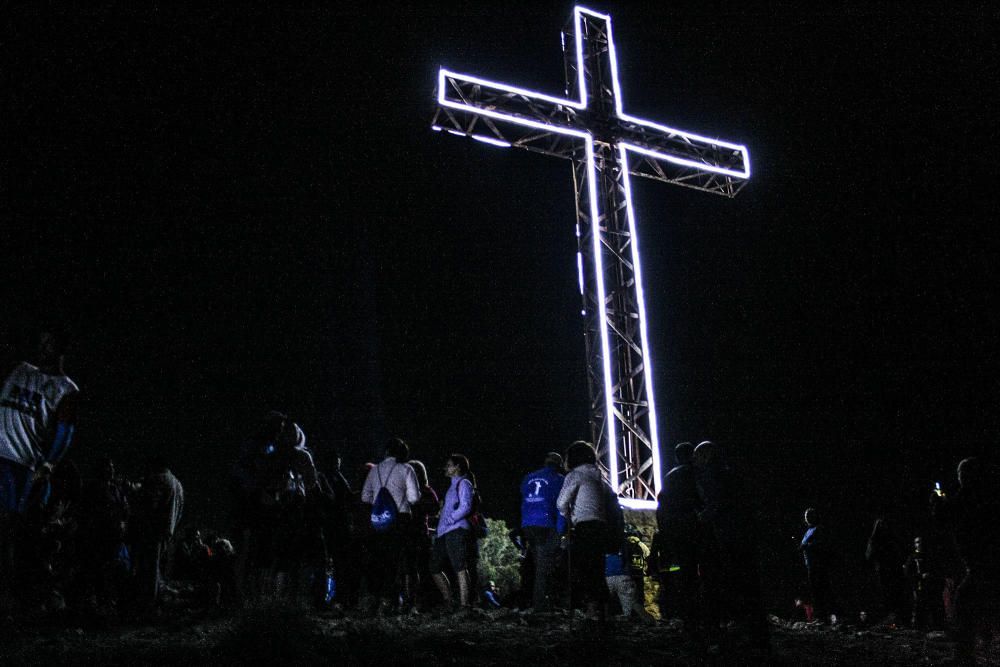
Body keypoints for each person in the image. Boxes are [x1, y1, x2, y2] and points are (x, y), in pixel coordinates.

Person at [0, 327, 79, 608]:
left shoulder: (65, 389)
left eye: (51, 343)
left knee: (12, 530)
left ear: (61, 349)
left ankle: (13, 599)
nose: (44, 347)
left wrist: (46, 466)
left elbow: (64, 434)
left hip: (21, 463)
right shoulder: (20, 369)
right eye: (42, 342)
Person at [694, 440, 769, 652]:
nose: (696, 461)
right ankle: (757, 633)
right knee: (749, 585)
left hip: (729, 537)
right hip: (744, 536)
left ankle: (742, 633)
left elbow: (718, 502)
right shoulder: (730, 473)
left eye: (699, 456)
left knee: (735, 582)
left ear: (706, 456)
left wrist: (702, 517)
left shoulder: (712, 474)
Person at [931, 457, 1000, 665]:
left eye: (962, 474)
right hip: (985, 561)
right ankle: (970, 650)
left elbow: (946, 517)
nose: (960, 478)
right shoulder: (985, 495)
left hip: (982, 563)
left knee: (963, 603)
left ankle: (964, 656)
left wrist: (937, 503)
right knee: (974, 602)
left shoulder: (970, 496)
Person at [360, 437, 420, 614]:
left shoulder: (375, 470)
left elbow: (365, 497)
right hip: (400, 519)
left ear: (386, 451)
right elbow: (414, 498)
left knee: (379, 559)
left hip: (379, 519)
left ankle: (375, 599)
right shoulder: (407, 469)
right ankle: (390, 601)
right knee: (396, 562)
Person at [556, 440, 609, 622]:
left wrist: (568, 515)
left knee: (584, 568)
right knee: (597, 567)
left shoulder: (575, 475)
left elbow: (561, 503)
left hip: (584, 525)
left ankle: (590, 610)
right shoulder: (599, 475)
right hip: (601, 525)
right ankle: (601, 610)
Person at [656, 442, 705, 635]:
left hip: (677, 533)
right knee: (707, 573)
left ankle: (689, 620)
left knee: (686, 576)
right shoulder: (696, 473)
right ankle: (709, 618)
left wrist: (664, 532)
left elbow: (661, 504)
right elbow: (703, 498)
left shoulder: (669, 477)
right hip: (697, 530)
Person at [129, 457, 184, 613]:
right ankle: (157, 600)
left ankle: (148, 604)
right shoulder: (177, 483)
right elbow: (180, 509)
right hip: (167, 531)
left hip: (152, 531)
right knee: (158, 567)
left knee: (149, 569)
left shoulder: (157, 480)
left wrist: (137, 493)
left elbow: (150, 504)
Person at [519, 451, 566, 613]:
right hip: (547, 525)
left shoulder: (528, 478)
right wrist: (561, 530)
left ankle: (540, 602)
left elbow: (523, 498)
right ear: (559, 465)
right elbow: (561, 506)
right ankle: (541, 605)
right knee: (545, 566)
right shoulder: (560, 480)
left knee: (539, 563)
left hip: (528, 524)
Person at [431, 454, 476, 611]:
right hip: (444, 532)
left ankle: (464, 605)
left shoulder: (464, 483)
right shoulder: (451, 487)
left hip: (456, 530)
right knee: (434, 567)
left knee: (459, 566)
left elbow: (466, 506)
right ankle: (449, 601)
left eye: (449, 465)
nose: (446, 467)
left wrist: (450, 519)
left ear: (457, 467)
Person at [865, 517, 907, 626]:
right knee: (883, 594)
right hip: (881, 571)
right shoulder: (876, 540)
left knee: (890, 594)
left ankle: (892, 618)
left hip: (889, 571)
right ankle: (887, 618)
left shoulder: (889, 540)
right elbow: (869, 556)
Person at [799, 507, 836, 624]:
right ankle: (821, 616)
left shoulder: (819, 529)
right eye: (806, 516)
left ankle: (826, 616)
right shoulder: (808, 531)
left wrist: (808, 546)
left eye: (810, 515)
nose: (808, 518)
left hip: (819, 565)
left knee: (821, 591)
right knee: (815, 591)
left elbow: (822, 544)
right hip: (810, 565)